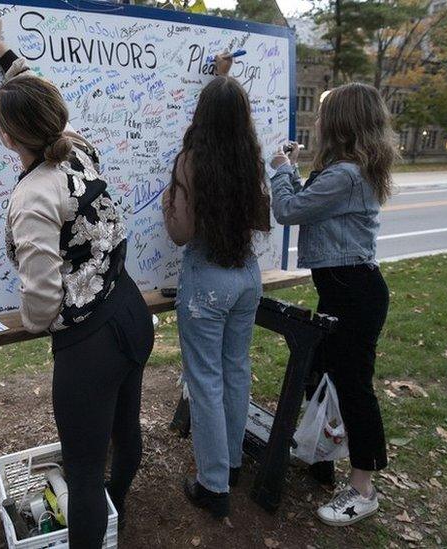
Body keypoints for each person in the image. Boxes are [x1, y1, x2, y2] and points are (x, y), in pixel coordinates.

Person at [0, 8, 154, 547]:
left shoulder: (32, 197)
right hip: (130, 311)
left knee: (81, 469)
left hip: (90, 342)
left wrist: (32, 323)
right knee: (125, 433)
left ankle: (97, 526)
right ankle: (116, 510)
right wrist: (0, 50)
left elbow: (43, 295)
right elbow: (34, 92)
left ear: (8, 139)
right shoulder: (75, 143)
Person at [269, 82, 396, 527]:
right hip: (345, 289)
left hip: (354, 293)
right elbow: (312, 205)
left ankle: (363, 489)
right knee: (316, 371)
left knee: (354, 386)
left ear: (341, 122)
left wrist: (281, 169)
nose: (317, 120)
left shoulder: (346, 174)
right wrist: (296, 169)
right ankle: (321, 456)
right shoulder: (348, 169)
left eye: (324, 113)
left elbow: (288, 210)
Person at [162, 54, 271, 518]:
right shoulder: (252, 157)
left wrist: (170, 204)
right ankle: (232, 464)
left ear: (199, 118)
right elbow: (262, 218)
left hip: (207, 279)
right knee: (236, 371)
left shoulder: (191, 161)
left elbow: (182, 233)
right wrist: (223, 77)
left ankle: (213, 485)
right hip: (246, 276)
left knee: (205, 380)